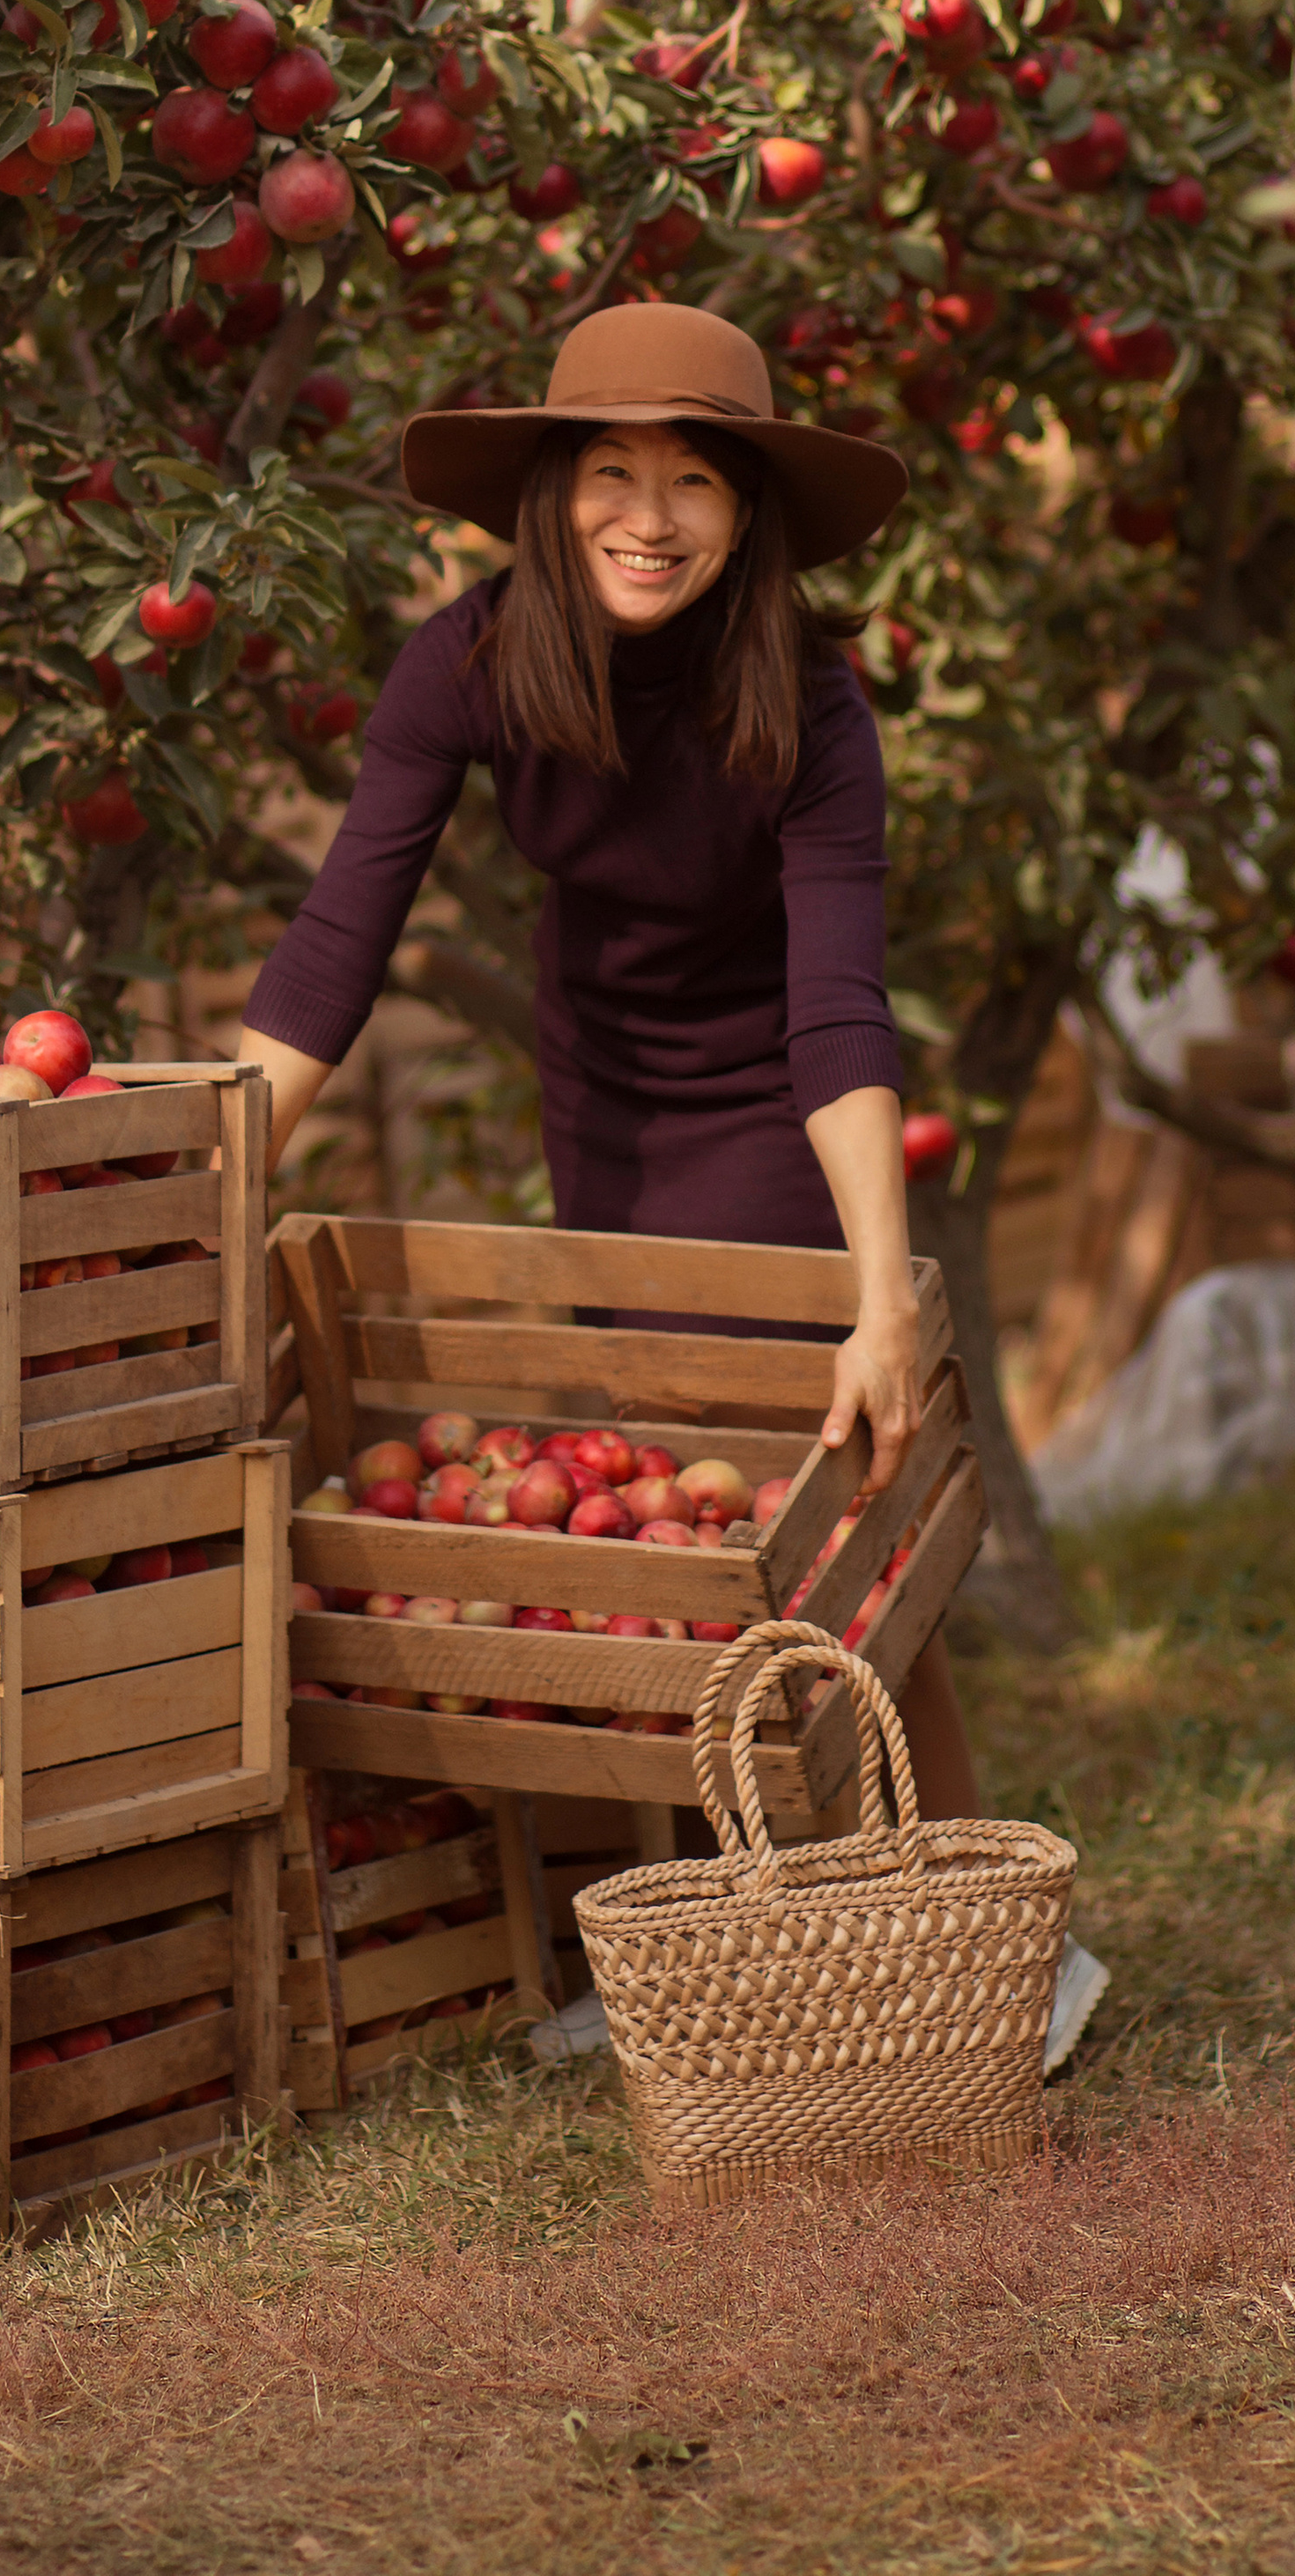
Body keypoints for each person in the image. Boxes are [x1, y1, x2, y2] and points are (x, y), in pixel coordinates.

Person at [239, 298, 982, 1818]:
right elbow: (337, 946)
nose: (651, 520)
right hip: (605, 1091)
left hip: (778, 1100)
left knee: (824, 1497)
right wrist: (206, 1189)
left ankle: (946, 1888)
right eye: (612, 474)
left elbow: (840, 1004)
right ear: (553, 491)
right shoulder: (466, 663)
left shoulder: (812, 700)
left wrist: (881, 1293)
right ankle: (697, 1898)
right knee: (651, 1489)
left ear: (749, 508)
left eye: (696, 479)